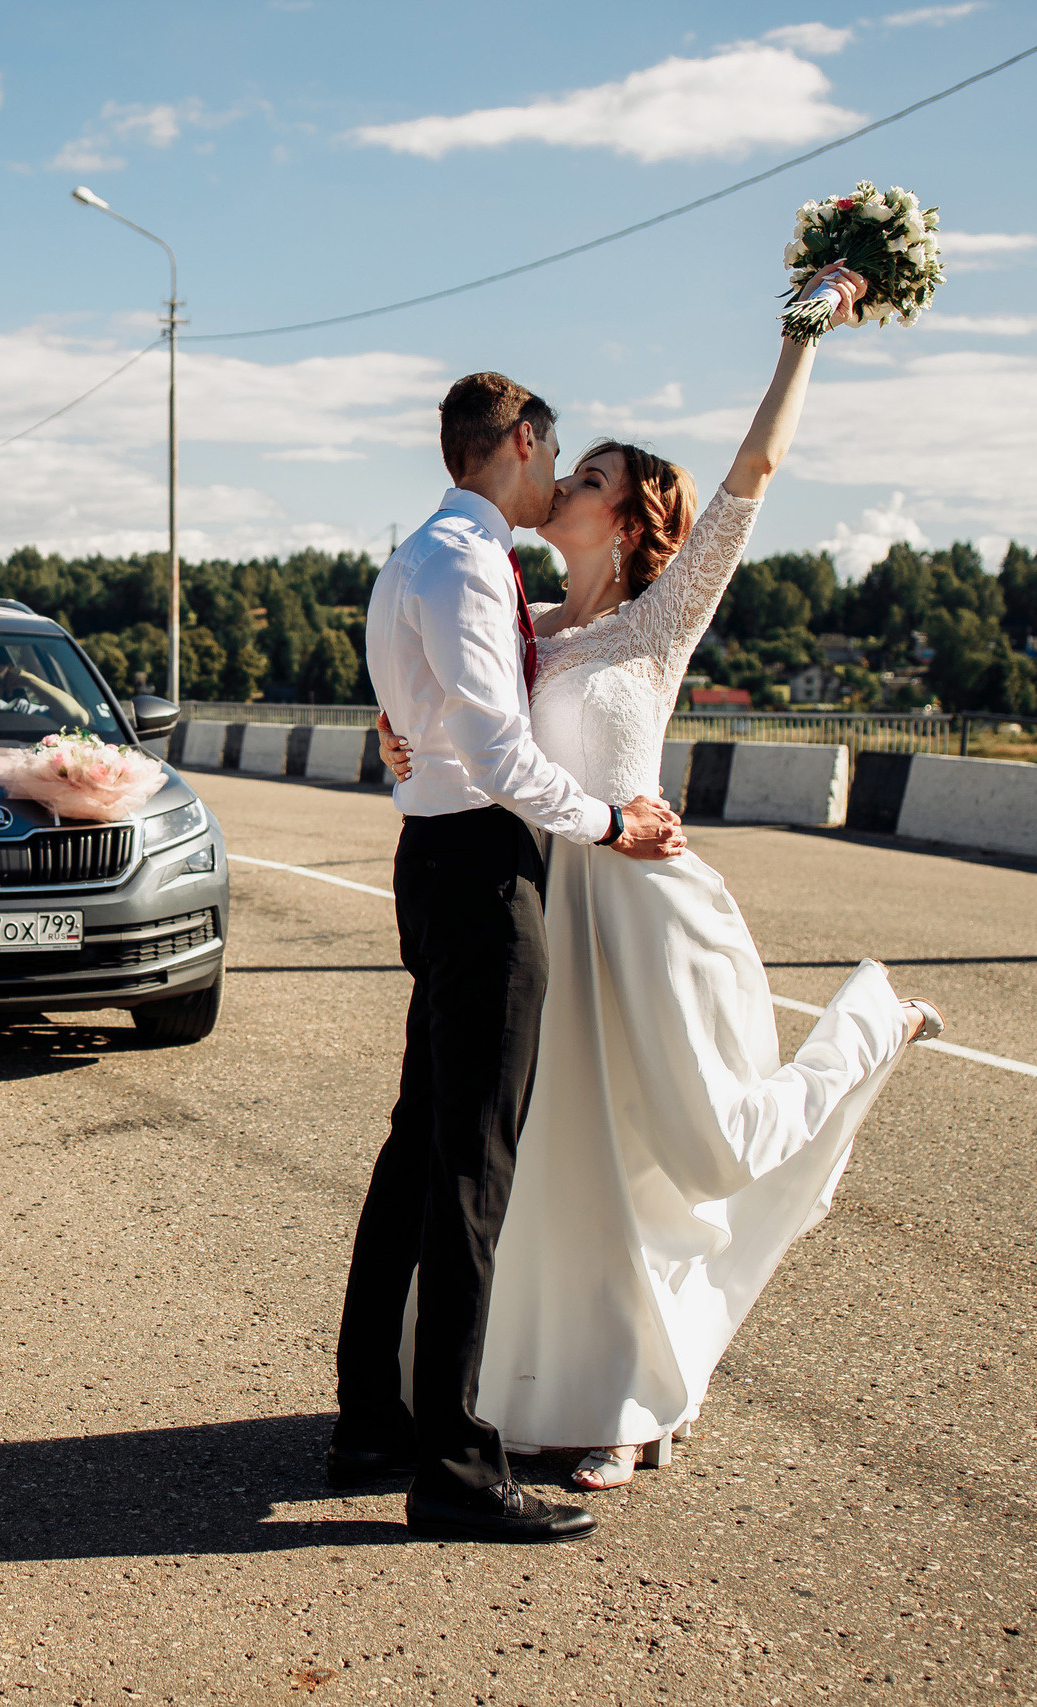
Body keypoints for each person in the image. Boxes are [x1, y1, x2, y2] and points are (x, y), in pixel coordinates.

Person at [384, 262, 944, 1494]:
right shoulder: (525, 613)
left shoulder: (660, 618)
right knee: (578, 1166)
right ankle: (605, 1399)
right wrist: (402, 740)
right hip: (552, 905)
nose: (562, 479)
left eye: (587, 477)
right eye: (563, 465)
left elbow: (750, 481)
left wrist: (802, 336)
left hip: (645, 906)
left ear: (631, 520)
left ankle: (865, 1035)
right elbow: (469, 710)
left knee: (689, 1146)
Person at [331, 369, 687, 1547]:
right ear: (522, 442)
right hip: (484, 870)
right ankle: (455, 1469)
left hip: (430, 859)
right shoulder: (471, 559)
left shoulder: (415, 556)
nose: (557, 473)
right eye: (556, 453)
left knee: (419, 1147)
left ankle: (372, 1419)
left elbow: (427, 718)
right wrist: (608, 822)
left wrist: (410, 742)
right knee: (471, 1171)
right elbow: (492, 747)